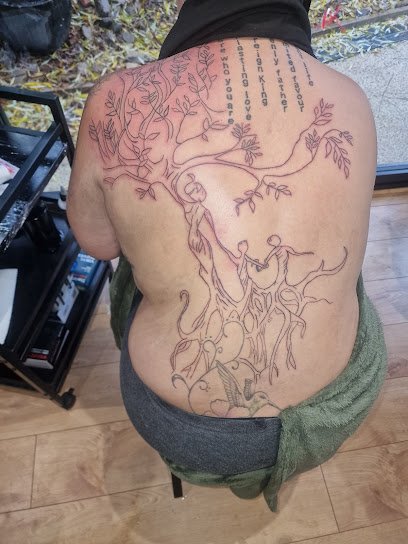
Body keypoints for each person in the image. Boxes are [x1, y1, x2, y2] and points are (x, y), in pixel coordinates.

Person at [67, 0, 387, 512]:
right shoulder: (350, 97)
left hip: (184, 428)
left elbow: (97, 243)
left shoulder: (117, 101)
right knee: (337, 267)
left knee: (142, 257)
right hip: (335, 403)